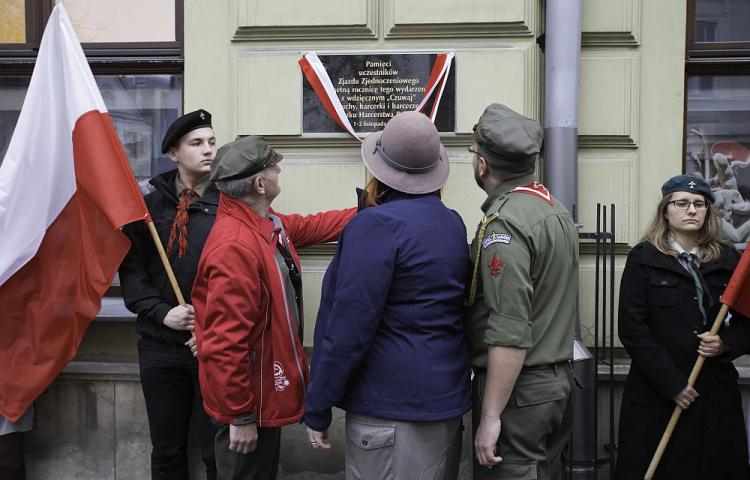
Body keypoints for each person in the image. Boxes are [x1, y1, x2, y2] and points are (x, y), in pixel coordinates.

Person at [304, 111, 472, 479]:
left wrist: (318, 404)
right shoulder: (451, 222)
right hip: (444, 399)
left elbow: (348, 328)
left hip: (389, 406)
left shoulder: (376, 225)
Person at [192, 135, 356, 480]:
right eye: (273, 168)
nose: (279, 170)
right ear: (259, 183)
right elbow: (226, 344)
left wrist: (367, 211)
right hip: (249, 405)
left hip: (263, 396)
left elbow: (311, 226)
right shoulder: (234, 247)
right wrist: (241, 417)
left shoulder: (264, 223)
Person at [464, 104, 578, 479]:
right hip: (554, 382)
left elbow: (510, 328)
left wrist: (491, 416)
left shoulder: (505, 224)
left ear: (482, 164)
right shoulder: (553, 210)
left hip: (519, 392)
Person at [615, 175, 750, 480]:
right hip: (658, 395)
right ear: (666, 211)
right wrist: (672, 384)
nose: (691, 210)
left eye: (699, 204)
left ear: (708, 212)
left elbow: (747, 326)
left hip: (715, 395)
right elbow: (632, 329)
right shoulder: (644, 259)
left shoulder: (730, 261)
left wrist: (726, 343)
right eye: (682, 203)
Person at [119, 109, 219, 479]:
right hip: (160, 345)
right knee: (167, 449)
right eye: (196, 143)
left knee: (216, 450)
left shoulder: (229, 203)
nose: (207, 150)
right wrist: (161, 312)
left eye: (211, 141)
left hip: (211, 346)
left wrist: (209, 327)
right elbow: (132, 271)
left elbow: (240, 278)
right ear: (174, 153)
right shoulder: (146, 206)